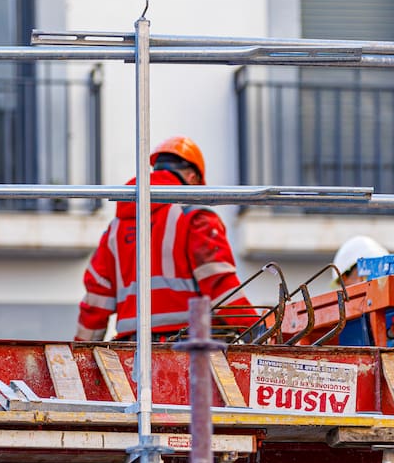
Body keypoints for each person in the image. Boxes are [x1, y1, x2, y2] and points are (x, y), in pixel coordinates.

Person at [75, 137, 258, 341]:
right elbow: (219, 284)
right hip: (193, 350)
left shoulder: (115, 230)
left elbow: (95, 303)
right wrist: (257, 332)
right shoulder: (195, 217)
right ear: (192, 178)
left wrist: (81, 356)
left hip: (132, 352)